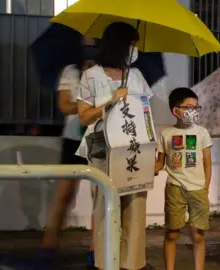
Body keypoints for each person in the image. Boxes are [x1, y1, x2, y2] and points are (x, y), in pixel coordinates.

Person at [76, 22, 152, 270]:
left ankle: (132, 264)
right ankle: (105, 262)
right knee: (105, 209)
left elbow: (145, 114)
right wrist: (109, 103)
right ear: (119, 44)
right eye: (132, 44)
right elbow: (84, 117)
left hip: (135, 148)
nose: (134, 50)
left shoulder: (137, 76)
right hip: (102, 150)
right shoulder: (92, 76)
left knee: (135, 209)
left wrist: (154, 148)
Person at [40, 36, 97, 268]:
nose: (89, 48)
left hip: (98, 140)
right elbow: (64, 105)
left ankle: (96, 250)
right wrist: (87, 107)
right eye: (85, 44)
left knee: (100, 196)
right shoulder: (70, 72)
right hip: (72, 140)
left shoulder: (106, 73)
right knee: (64, 195)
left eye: (93, 44)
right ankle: (48, 246)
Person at [154, 87, 213, 270]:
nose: (193, 111)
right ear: (175, 110)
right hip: (174, 188)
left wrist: (205, 186)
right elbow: (160, 163)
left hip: (198, 190)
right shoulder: (166, 134)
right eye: (189, 107)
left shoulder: (202, 133)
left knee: (198, 235)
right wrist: (144, 169)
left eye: (196, 107)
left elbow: (207, 164)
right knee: (172, 234)